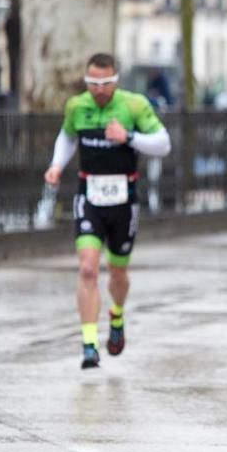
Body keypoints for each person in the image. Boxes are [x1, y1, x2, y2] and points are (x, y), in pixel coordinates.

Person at [44, 53, 172, 369]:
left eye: (105, 83)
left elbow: (163, 143)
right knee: (87, 268)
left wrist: (127, 137)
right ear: (86, 81)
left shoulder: (134, 105)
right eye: (93, 83)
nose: (99, 89)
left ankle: (116, 313)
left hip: (124, 199)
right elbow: (68, 137)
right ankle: (89, 344)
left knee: (117, 272)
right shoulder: (77, 106)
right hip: (89, 195)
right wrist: (56, 166)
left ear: (116, 79)